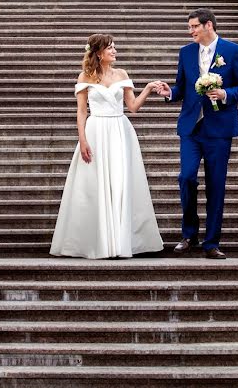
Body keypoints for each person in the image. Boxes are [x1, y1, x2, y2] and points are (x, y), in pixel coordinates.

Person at [50, 33, 164, 259]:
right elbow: (82, 111)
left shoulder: (122, 74)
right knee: (94, 184)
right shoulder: (86, 76)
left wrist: (149, 89)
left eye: (115, 47)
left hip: (121, 131)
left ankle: (122, 241)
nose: (115, 51)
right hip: (96, 131)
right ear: (99, 52)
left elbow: (132, 107)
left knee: (121, 183)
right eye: (110, 48)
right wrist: (82, 140)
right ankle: (98, 242)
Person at [154, 8, 238, 259]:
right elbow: (181, 87)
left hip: (219, 129)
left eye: (194, 27)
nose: (191, 31)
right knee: (186, 177)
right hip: (191, 128)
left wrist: (226, 94)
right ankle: (189, 234)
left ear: (209, 25)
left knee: (216, 185)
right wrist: (170, 93)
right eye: (189, 28)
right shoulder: (186, 52)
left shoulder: (233, 51)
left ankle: (211, 243)